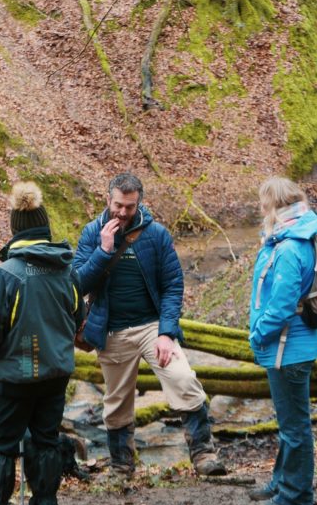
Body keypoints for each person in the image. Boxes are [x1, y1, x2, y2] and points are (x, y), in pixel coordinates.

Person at [73, 172, 226, 478]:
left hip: (152, 327)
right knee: (116, 402)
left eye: (129, 206)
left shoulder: (156, 235)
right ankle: (122, 466)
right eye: (118, 205)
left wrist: (167, 333)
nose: (123, 212)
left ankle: (204, 454)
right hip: (111, 329)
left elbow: (173, 285)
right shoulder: (92, 233)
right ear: (108, 199)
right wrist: (103, 251)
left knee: (183, 378)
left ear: (139, 202)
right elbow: (77, 283)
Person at [0, 182, 83, 505]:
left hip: (12, 377)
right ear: (44, 226)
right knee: (46, 440)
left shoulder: (5, 275)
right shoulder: (68, 271)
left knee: (2, 446)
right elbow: (79, 317)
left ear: (15, 228)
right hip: (55, 372)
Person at [247, 176, 317, 505]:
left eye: (264, 204)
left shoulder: (290, 247)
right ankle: (282, 480)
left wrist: (258, 332)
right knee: (288, 422)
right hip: (288, 345)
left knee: (295, 427)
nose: (261, 210)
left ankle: (296, 497)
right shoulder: (288, 238)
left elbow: (281, 303)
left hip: (287, 347)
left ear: (276, 207)